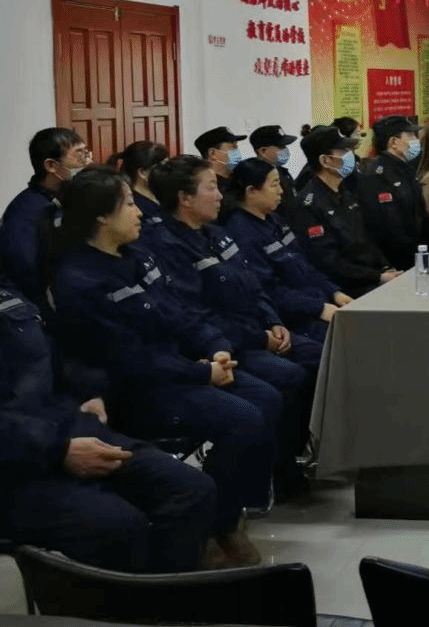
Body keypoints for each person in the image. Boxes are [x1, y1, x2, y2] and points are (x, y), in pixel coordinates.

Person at [50, 169, 280, 567]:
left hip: (178, 370)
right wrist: (202, 374)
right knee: (242, 417)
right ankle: (215, 525)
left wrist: (217, 348)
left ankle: (224, 514)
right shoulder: (79, 280)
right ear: (102, 216)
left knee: (267, 397)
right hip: (137, 392)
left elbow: (181, 313)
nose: (140, 212)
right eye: (129, 204)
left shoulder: (137, 255)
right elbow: (129, 359)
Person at [1, 260, 218, 573]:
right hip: (18, 461)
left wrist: (88, 391)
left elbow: (52, 353)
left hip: (62, 425)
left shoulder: (9, 286)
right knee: (119, 526)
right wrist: (58, 450)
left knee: (191, 489)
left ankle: (166, 597)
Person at [148, 156, 322, 501]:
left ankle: (291, 456)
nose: (220, 196)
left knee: (322, 357)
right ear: (185, 198)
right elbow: (197, 315)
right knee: (285, 378)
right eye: (211, 188)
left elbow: (255, 286)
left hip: (257, 328)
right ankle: (273, 473)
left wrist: (273, 321)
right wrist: (259, 338)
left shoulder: (217, 233)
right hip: (227, 343)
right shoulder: (168, 246)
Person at [224, 159, 353, 342]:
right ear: (251, 191)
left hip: (314, 302)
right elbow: (268, 290)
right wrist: (319, 308)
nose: (281, 191)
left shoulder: (274, 220)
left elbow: (304, 266)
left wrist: (334, 292)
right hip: (291, 318)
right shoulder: (241, 231)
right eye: (274, 185)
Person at [290, 126, 400, 297]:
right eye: (343, 151)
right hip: (347, 290)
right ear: (325, 160)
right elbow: (328, 261)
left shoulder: (345, 193)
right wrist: (377, 277)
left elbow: (365, 238)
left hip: (371, 277)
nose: (350, 155)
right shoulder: (309, 205)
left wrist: (384, 266)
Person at [0, 128, 90, 305]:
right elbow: (28, 275)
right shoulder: (26, 212)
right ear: (51, 166)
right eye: (79, 155)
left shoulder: (72, 198)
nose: (87, 162)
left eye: (87, 153)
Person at [357, 115, 429, 268]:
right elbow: (386, 228)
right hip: (398, 262)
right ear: (393, 142)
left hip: (419, 255)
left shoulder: (406, 169)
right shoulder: (375, 175)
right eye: (410, 135)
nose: (416, 140)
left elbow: (421, 214)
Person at [113, 140, 169, 245]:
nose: (169, 173)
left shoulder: (165, 197)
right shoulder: (131, 204)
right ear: (143, 172)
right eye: (163, 168)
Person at [193, 126, 247, 221]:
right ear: (213, 153)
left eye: (237, 148)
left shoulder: (242, 180)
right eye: (233, 148)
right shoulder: (202, 186)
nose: (237, 153)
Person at [248, 125, 299, 220]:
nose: (285, 150)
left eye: (285, 146)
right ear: (263, 151)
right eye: (280, 146)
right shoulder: (256, 178)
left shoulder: (283, 172)